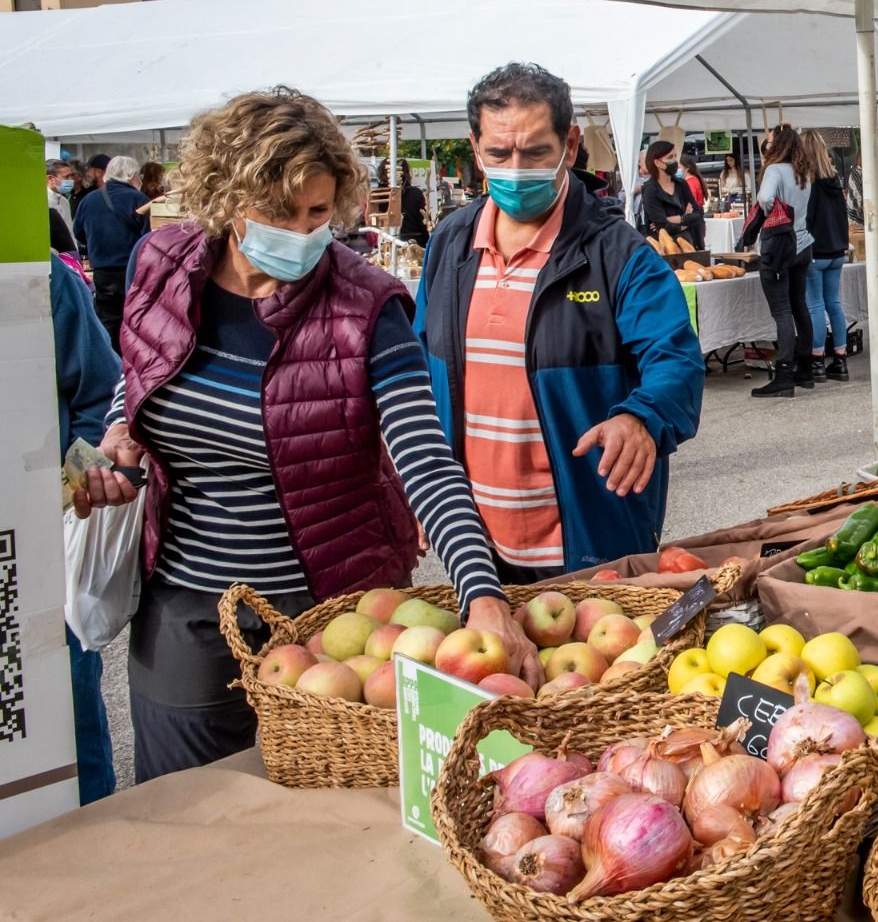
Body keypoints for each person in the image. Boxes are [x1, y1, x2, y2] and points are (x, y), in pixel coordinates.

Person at [73, 87, 534, 783]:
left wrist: (484, 593)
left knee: (334, 824)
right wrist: (119, 429)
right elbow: (138, 369)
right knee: (189, 814)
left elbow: (427, 465)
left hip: (333, 616)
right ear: (229, 195)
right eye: (281, 212)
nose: (302, 231)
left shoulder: (364, 306)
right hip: (186, 607)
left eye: (318, 212)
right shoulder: (161, 264)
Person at [416, 63, 704, 580]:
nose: (516, 168)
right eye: (499, 153)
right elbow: (419, 370)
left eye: (535, 152)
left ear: (570, 146)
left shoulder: (619, 254)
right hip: (478, 549)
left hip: (590, 542)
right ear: (476, 146)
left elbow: (676, 360)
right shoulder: (449, 244)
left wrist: (640, 418)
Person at [50, 251, 121, 803]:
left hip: (33, 545)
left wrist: (74, 490)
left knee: (60, 713)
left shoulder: (42, 276)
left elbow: (98, 396)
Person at [738, 123, 815, 398]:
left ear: (778, 145)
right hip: (803, 244)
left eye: (769, 142)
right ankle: (806, 367)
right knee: (799, 305)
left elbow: (765, 197)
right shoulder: (803, 170)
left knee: (782, 311)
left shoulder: (774, 170)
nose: (767, 146)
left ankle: (784, 375)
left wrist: (772, 211)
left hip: (779, 247)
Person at [73, 154, 150, 354]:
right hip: (133, 269)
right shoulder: (138, 199)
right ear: (132, 175)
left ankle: (114, 362)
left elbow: (78, 232)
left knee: (108, 319)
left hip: (102, 271)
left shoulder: (89, 200)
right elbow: (149, 236)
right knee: (136, 316)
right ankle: (134, 358)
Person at [800, 130, 850, 381]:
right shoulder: (835, 179)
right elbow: (843, 216)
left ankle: (817, 359)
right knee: (834, 303)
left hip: (815, 250)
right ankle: (840, 358)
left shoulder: (806, 183)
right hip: (837, 249)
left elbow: (806, 219)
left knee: (815, 305)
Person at [640, 140, 704, 250]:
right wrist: (686, 220)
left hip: (689, 244)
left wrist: (672, 219)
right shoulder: (650, 189)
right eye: (670, 157)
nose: (675, 161)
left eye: (675, 156)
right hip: (664, 249)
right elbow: (662, 226)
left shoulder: (681, 184)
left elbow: (698, 214)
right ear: (657, 163)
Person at [396, 161, 431, 246]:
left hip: (394, 240)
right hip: (415, 241)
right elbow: (424, 223)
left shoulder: (383, 194)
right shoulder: (416, 193)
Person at [46, 158, 75, 229]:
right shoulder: (42, 202)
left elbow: (70, 231)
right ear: (50, 179)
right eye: (66, 177)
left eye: (71, 176)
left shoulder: (64, 201)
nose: (71, 180)